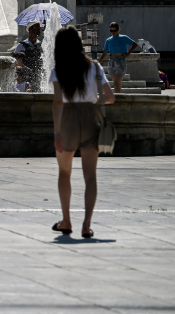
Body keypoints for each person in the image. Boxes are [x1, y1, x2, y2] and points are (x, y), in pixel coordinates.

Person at [49, 26, 115, 239]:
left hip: (67, 119)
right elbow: (110, 97)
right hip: (89, 119)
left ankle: (66, 221)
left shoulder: (58, 69)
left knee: (64, 173)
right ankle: (86, 225)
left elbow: (58, 101)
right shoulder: (95, 67)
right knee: (90, 176)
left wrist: (57, 132)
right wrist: (93, 101)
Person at [99, 22, 138, 93]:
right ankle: (120, 100)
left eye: (115, 30)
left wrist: (128, 53)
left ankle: (117, 101)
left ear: (118, 29)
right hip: (111, 62)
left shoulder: (124, 37)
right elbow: (104, 53)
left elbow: (135, 44)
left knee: (116, 83)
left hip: (121, 62)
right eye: (111, 31)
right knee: (116, 84)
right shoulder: (108, 40)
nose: (113, 32)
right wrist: (98, 63)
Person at [13, 21, 43, 91]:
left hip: (36, 78)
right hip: (24, 80)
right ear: (30, 29)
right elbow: (14, 62)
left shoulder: (40, 46)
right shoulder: (21, 45)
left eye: (39, 28)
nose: (39, 30)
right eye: (36, 28)